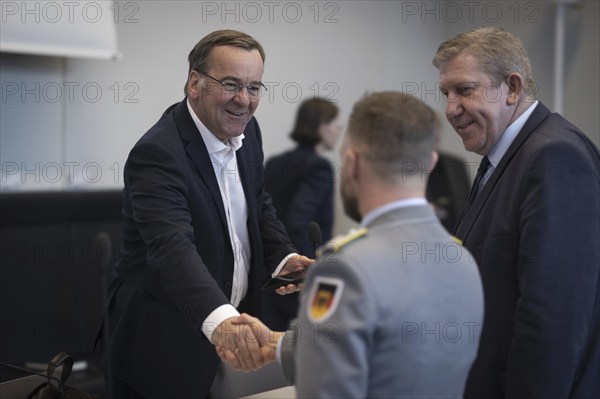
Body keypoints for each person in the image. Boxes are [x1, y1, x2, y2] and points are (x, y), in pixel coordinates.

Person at [220, 91, 484, 398]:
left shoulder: (344, 269)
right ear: (431, 162)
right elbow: (391, 346)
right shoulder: (462, 258)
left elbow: (326, 389)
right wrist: (278, 345)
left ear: (352, 163)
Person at [103, 29, 312, 399]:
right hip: (163, 345)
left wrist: (285, 258)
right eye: (231, 84)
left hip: (227, 333)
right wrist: (224, 322)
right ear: (195, 84)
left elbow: (257, 202)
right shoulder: (158, 154)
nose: (243, 100)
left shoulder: (248, 132)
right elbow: (172, 249)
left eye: (254, 87)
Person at [433, 27, 600, 398]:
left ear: (512, 87)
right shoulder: (503, 157)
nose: (450, 109)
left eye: (464, 90)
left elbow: (553, 317)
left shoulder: (554, 156)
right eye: (446, 93)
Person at [262, 98, 342, 330]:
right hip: (300, 273)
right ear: (322, 127)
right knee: (306, 351)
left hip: (272, 270)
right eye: (336, 125)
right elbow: (299, 221)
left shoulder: (275, 162)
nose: (339, 131)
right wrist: (308, 271)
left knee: (271, 351)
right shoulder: (319, 167)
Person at [426, 114, 471, 232]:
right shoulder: (405, 168)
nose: (432, 145)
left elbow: (466, 207)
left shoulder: (456, 165)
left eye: (436, 139)